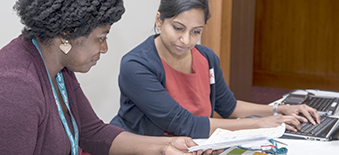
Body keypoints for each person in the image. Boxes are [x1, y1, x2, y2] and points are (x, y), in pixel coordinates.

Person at [0, 0, 223, 154]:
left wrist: (166, 146)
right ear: (68, 32)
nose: (104, 48)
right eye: (101, 37)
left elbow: (92, 132)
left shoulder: (56, 65)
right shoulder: (17, 87)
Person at [110, 0, 321, 139]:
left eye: (196, 32)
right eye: (178, 28)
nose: (186, 40)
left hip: (197, 146)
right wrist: (261, 124)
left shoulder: (207, 58)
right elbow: (185, 125)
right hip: (149, 149)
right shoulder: (136, 66)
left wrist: (279, 110)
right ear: (159, 20)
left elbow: (229, 107)